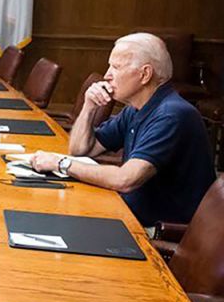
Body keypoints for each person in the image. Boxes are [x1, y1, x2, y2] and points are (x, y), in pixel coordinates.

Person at [31, 33, 216, 230]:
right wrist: (89, 107)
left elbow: (126, 179)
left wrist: (61, 163)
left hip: (158, 232)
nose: (107, 75)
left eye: (116, 67)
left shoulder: (171, 115)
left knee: (51, 225)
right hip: (128, 213)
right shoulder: (136, 109)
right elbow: (80, 150)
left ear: (145, 74)